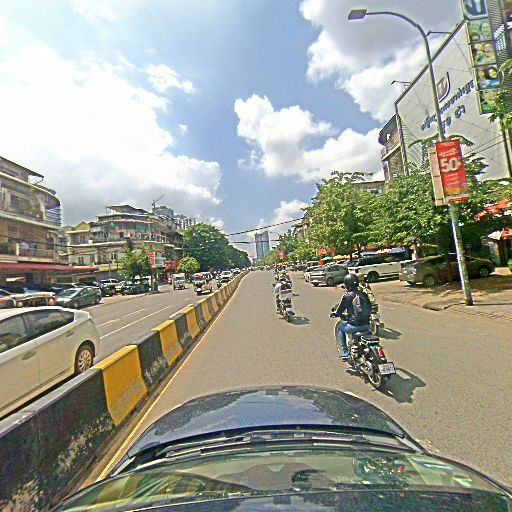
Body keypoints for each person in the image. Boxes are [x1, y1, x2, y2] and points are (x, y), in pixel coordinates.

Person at [332, 273, 371, 361]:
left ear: (346, 284)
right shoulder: (363, 294)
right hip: (367, 325)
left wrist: (336, 313)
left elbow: (340, 310)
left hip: (354, 326)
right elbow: (370, 307)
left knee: (340, 327)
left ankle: (345, 352)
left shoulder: (348, 296)